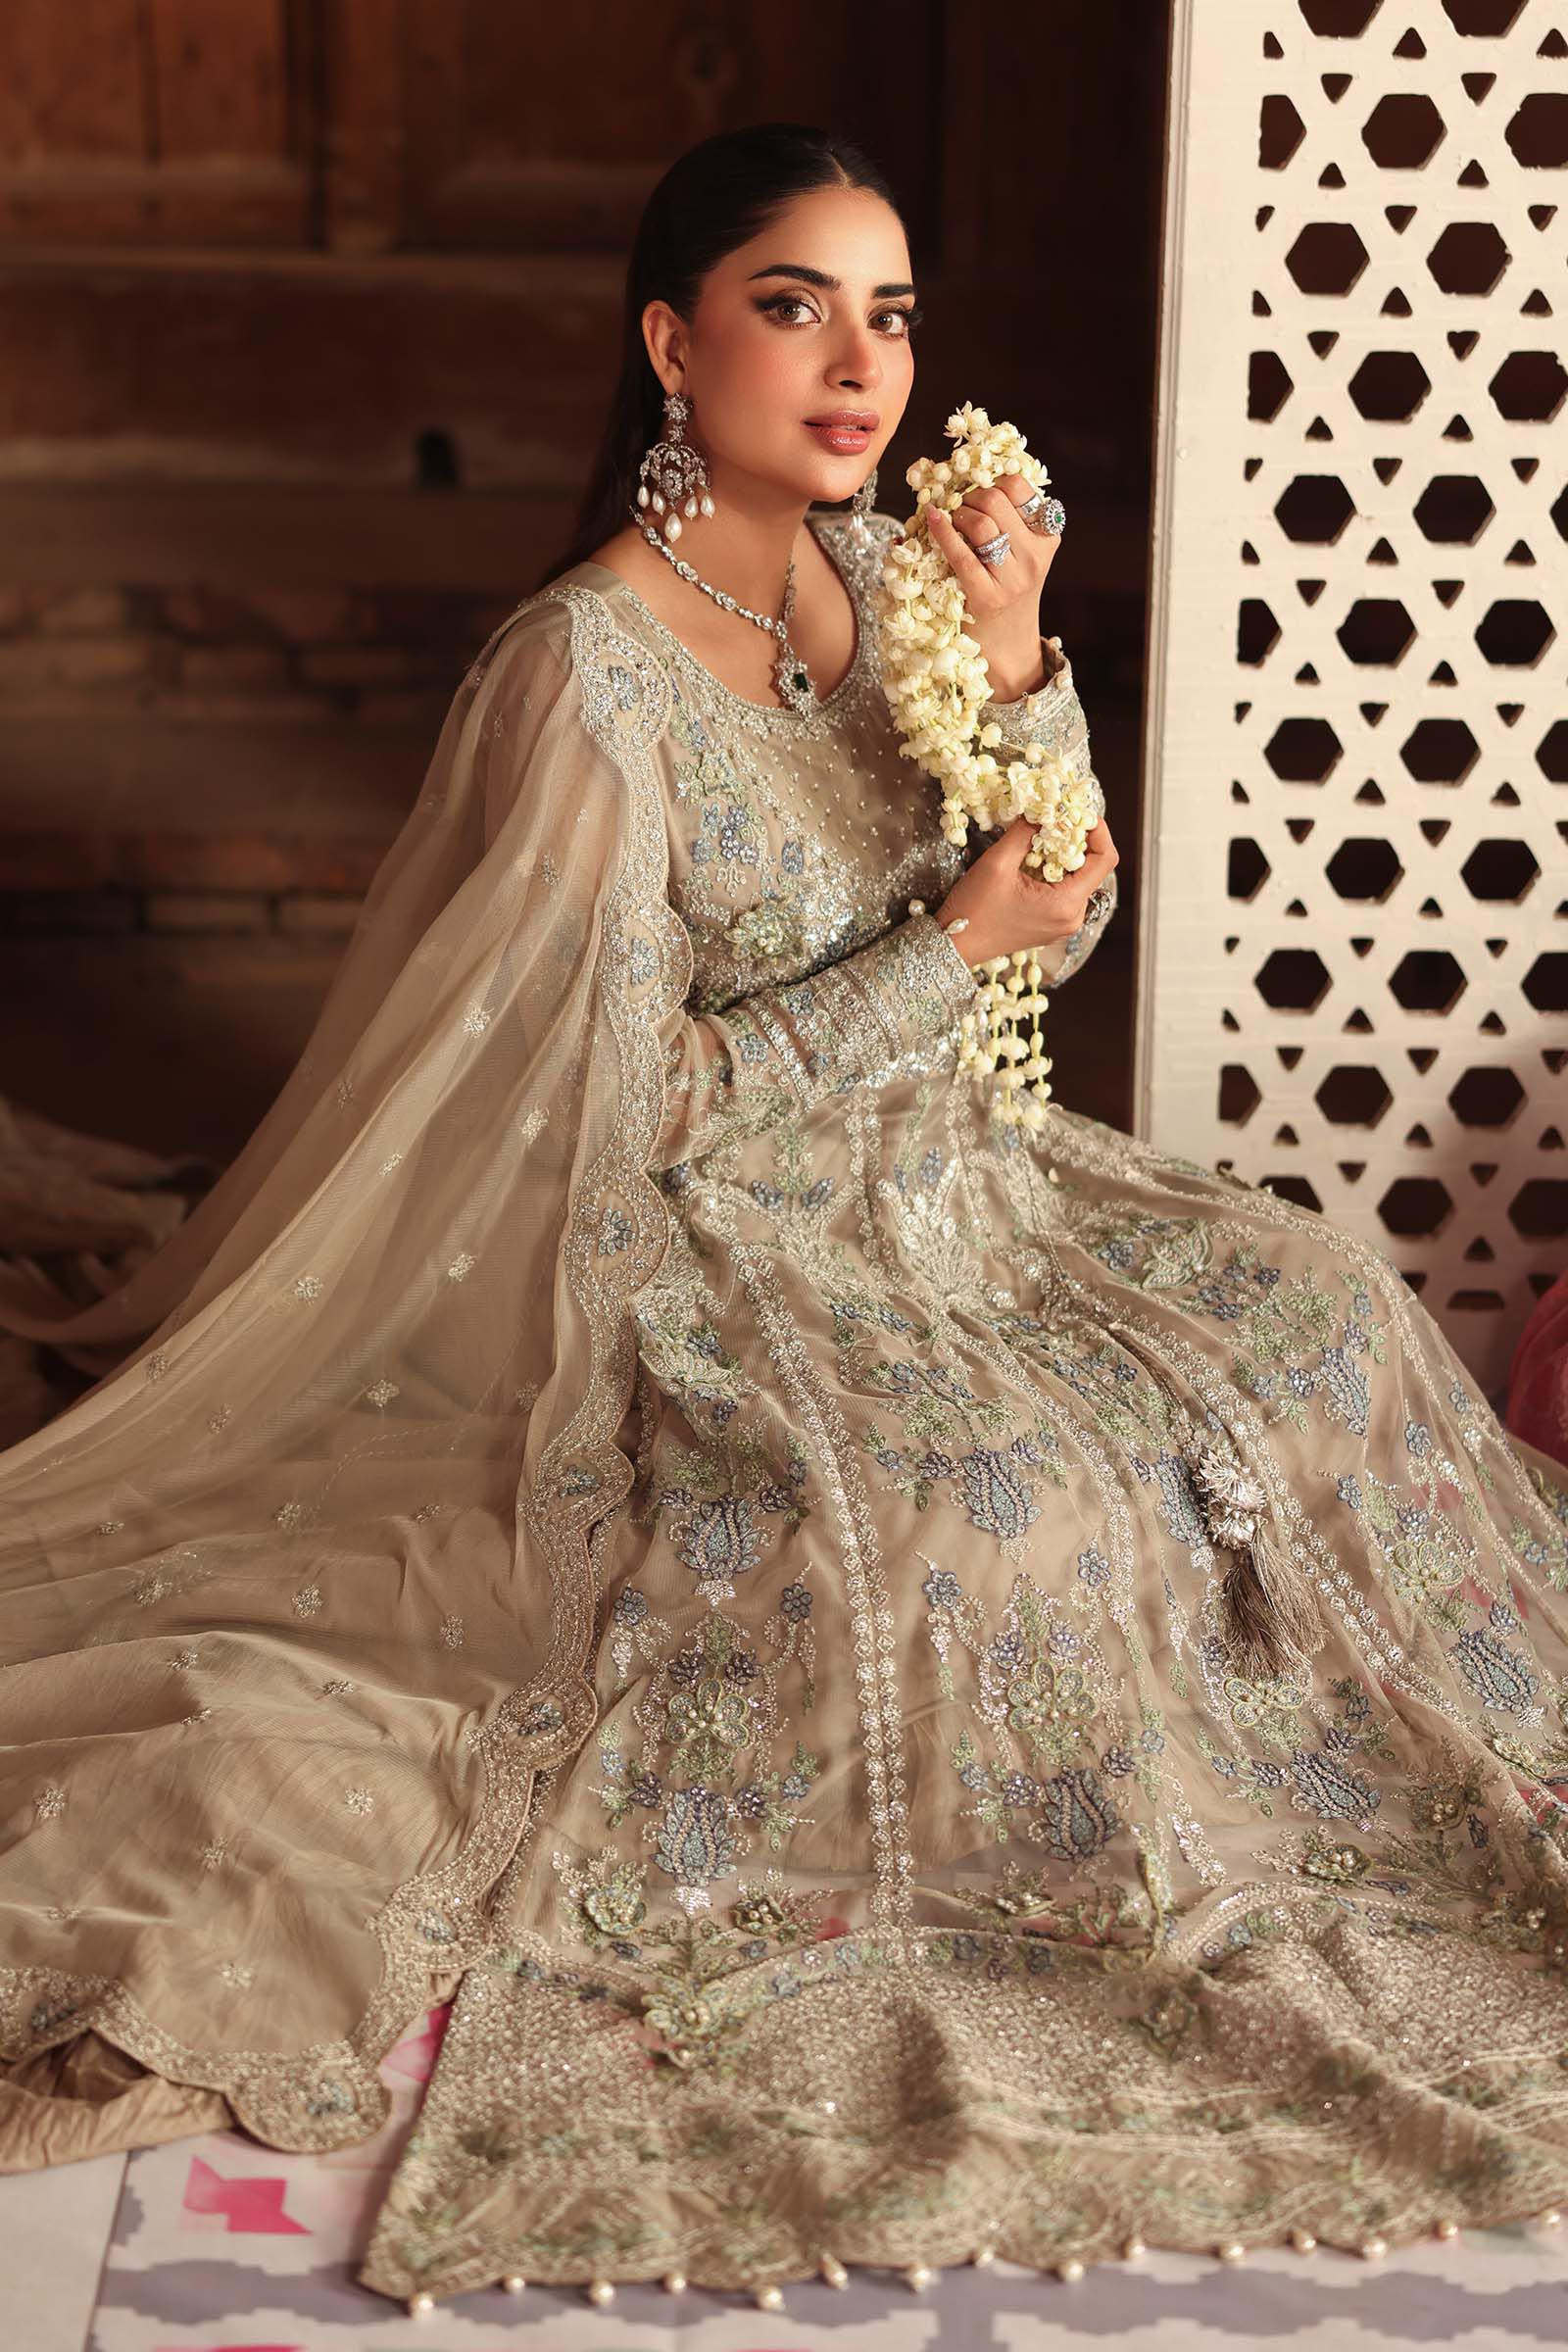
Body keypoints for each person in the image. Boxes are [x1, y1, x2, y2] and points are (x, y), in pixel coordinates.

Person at [4, 120, 1568, 2314]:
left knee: (1309, 1304)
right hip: (733, 1264)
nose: (858, 364)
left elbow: (1056, 927)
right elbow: (623, 1110)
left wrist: (1021, 668)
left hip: (980, 1196)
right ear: (670, 342)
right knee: (981, 1492)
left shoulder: (889, 596)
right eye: (792, 303)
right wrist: (938, 957)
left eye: (892, 312)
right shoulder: (585, 679)